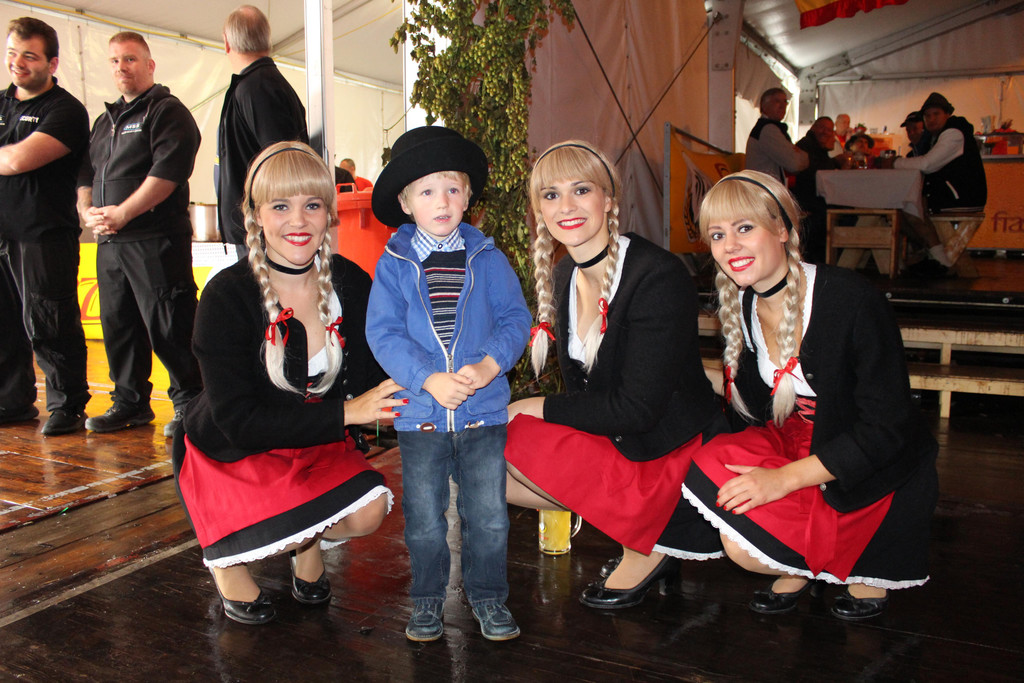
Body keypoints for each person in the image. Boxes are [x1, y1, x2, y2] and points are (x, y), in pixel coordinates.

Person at [682, 170, 939, 621]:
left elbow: (887, 428)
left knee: (748, 529)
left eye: (745, 228)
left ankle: (852, 560)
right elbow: (755, 409)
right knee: (712, 466)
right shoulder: (744, 302)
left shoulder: (850, 300)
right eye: (718, 235)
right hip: (797, 441)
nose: (730, 246)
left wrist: (781, 480)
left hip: (865, 461)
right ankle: (801, 561)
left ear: (782, 230)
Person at [172, 142, 399, 625]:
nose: (298, 221)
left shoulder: (352, 283)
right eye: (280, 206)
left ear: (329, 214)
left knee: (370, 510)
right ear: (256, 216)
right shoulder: (227, 295)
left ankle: (306, 542)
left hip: (314, 440)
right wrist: (348, 412)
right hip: (236, 451)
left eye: (312, 205)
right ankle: (227, 559)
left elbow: (379, 373)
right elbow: (239, 422)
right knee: (281, 531)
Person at [503, 141, 728, 612]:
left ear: (608, 199)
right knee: (481, 459)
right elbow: (588, 394)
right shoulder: (565, 275)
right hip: (618, 435)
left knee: (512, 433)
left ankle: (650, 539)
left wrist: (530, 405)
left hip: (666, 447)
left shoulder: (657, 275)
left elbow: (637, 410)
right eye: (550, 195)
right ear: (539, 210)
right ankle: (634, 526)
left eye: (581, 190)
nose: (566, 206)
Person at [366, 125, 531, 643]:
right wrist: (427, 379)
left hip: (483, 414)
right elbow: (383, 333)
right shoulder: (394, 265)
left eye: (452, 189)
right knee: (424, 520)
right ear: (405, 202)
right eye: (426, 191)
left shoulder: (488, 258)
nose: (441, 201)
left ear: (468, 197)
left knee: (489, 517)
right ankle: (426, 601)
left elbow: (515, 319)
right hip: (421, 416)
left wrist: (490, 365)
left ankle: (488, 597)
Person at [77, 32, 202, 437]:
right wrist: (86, 210)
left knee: (170, 324)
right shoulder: (104, 122)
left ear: (150, 65)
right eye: (114, 61)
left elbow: (168, 172)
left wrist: (123, 213)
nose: (121, 68)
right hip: (109, 242)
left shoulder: (167, 112)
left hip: (155, 240)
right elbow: (85, 174)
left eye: (130, 59)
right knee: (119, 325)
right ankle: (129, 402)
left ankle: (191, 402)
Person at [0, 17, 91, 436]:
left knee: (49, 321)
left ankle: (68, 404)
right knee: (5, 324)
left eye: (29, 56)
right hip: (4, 234)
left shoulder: (65, 110)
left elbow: (19, 159)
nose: (17, 63)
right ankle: (12, 401)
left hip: (43, 234)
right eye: (11, 54)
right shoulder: (3, 103)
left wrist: (9, 155)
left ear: (52, 63)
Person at [217, 4, 308, 259]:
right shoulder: (259, 84)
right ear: (267, 40)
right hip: (259, 226)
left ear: (227, 42)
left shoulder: (256, 88)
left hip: (262, 229)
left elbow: (282, 162)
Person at [895, 92, 986, 212]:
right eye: (927, 116)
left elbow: (927, 165)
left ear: (947, 114)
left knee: (903, 209)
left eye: (936, 114)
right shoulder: (936, 137)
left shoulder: (953, 133)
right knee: (905, 208)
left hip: (961, 199)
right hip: (954, 198)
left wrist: (894, 163)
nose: (931, 119)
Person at [794, 116, 842, 263]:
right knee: (840, 213)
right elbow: (814, 172)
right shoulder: (806, 145)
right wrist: (836, 162)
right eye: (822, 127)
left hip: (813, 197)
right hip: (806, 200)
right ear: (813, 128)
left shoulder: (818, 147)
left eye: (829, 130)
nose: (825, 132)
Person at [745, 87, 808, 184]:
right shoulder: (768, 130)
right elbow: (794, 164)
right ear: (764, 106)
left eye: (785, 102)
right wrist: (805, 156)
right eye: (777, 101)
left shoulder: (767, 128)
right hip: (765, 188)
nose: (783, 106)